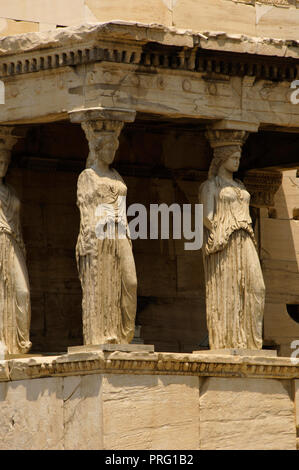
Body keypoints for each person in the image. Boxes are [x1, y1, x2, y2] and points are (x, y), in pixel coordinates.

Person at [199, 143, 265, 350]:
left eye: (239, 156)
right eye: (233, 156)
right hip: (225, 240)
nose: (237, 159)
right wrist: (222, 228)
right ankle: (230, 340)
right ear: (221, 158)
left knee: (257, 287)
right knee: (230, 288)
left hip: (246, 238)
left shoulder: (241, 186)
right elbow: (206, 217)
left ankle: (251, 341)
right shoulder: (210, 185)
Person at [76, 123, 137, 344]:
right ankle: (104, 334)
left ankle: (125, 334)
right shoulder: (88, 176)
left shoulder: (117, 176)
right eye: (107, 148)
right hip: (100, 234)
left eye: (114, 148)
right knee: (103, 283)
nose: (111, 152)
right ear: (97, 149)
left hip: (121, 231)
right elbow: (86, 211)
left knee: (130, 281)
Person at [0, 149, 31, 355]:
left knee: (22, 292)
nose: (3, 165)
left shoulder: (10, 190)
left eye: (5, 161)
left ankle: (18, 343)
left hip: (13, 241)